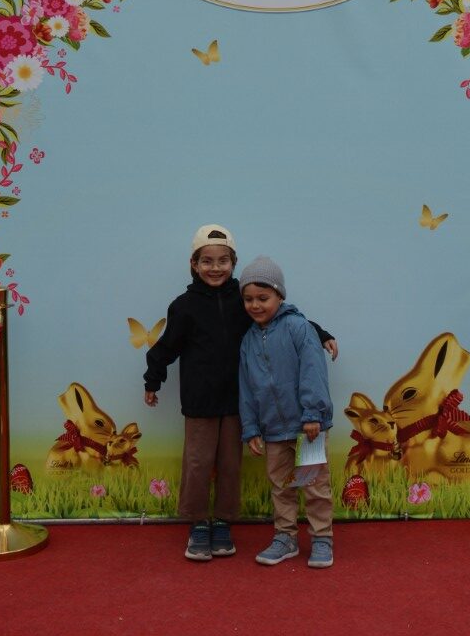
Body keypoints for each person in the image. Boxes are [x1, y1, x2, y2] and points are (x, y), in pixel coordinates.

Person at [143, 225, 337, 562]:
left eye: (223, 261)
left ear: (233, 263)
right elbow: (167, 346)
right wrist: (152, 379)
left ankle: (227, 522)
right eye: (207, 261)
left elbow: (288, 319)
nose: (215, 267)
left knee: (237, 467)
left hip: (253, 408)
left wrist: (318, 333)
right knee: (199, 464)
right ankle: (199, 522)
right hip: (204, 403)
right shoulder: (185, 306)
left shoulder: (243, 299)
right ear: (193, 264)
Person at [238, 255, 335, 569]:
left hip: (307, 427)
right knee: (281, 486)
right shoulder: (247, 341)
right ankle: (285, 538)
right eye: (249, 299)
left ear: (279, 296)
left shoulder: (298, 328)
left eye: (263, 298)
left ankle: (322, 538)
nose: (255, 305)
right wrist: (251, 428)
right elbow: (246, 387)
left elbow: (313, 370)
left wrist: (313, 414)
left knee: (314, 484)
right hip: (273, 431)